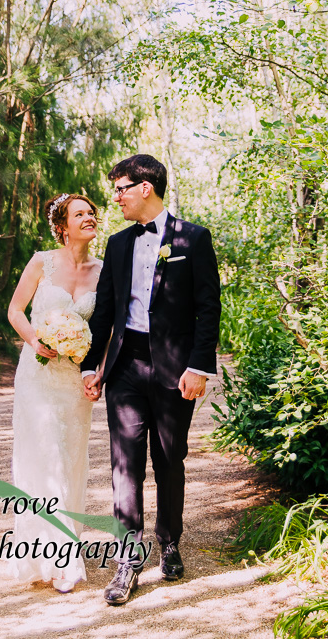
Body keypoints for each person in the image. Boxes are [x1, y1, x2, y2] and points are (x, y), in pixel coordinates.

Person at [81, 154, 220, 606]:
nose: (115, 197)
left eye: (121, 188)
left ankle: (171, 543)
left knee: (169, 459)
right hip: (124, 367)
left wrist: (198, 368)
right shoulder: (118, 245)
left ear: (146, 188)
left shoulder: (193, 239)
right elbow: (106, 309)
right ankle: (128, 559)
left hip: (176, 369)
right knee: (125, 464)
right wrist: (90, 364)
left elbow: (208, 308)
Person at [8, 193, 102, 593]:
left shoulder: (104, 269)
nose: (89, 217)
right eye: (79, 213)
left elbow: (109, 327)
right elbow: (15, 310)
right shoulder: (41, 261)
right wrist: (35, 340)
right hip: (38, 377)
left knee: (71, 462)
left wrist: (97, 370)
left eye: (92, 213)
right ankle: (57, 562)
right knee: (43, 461)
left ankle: (62, 552)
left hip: (75, 381)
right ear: (62, 226)